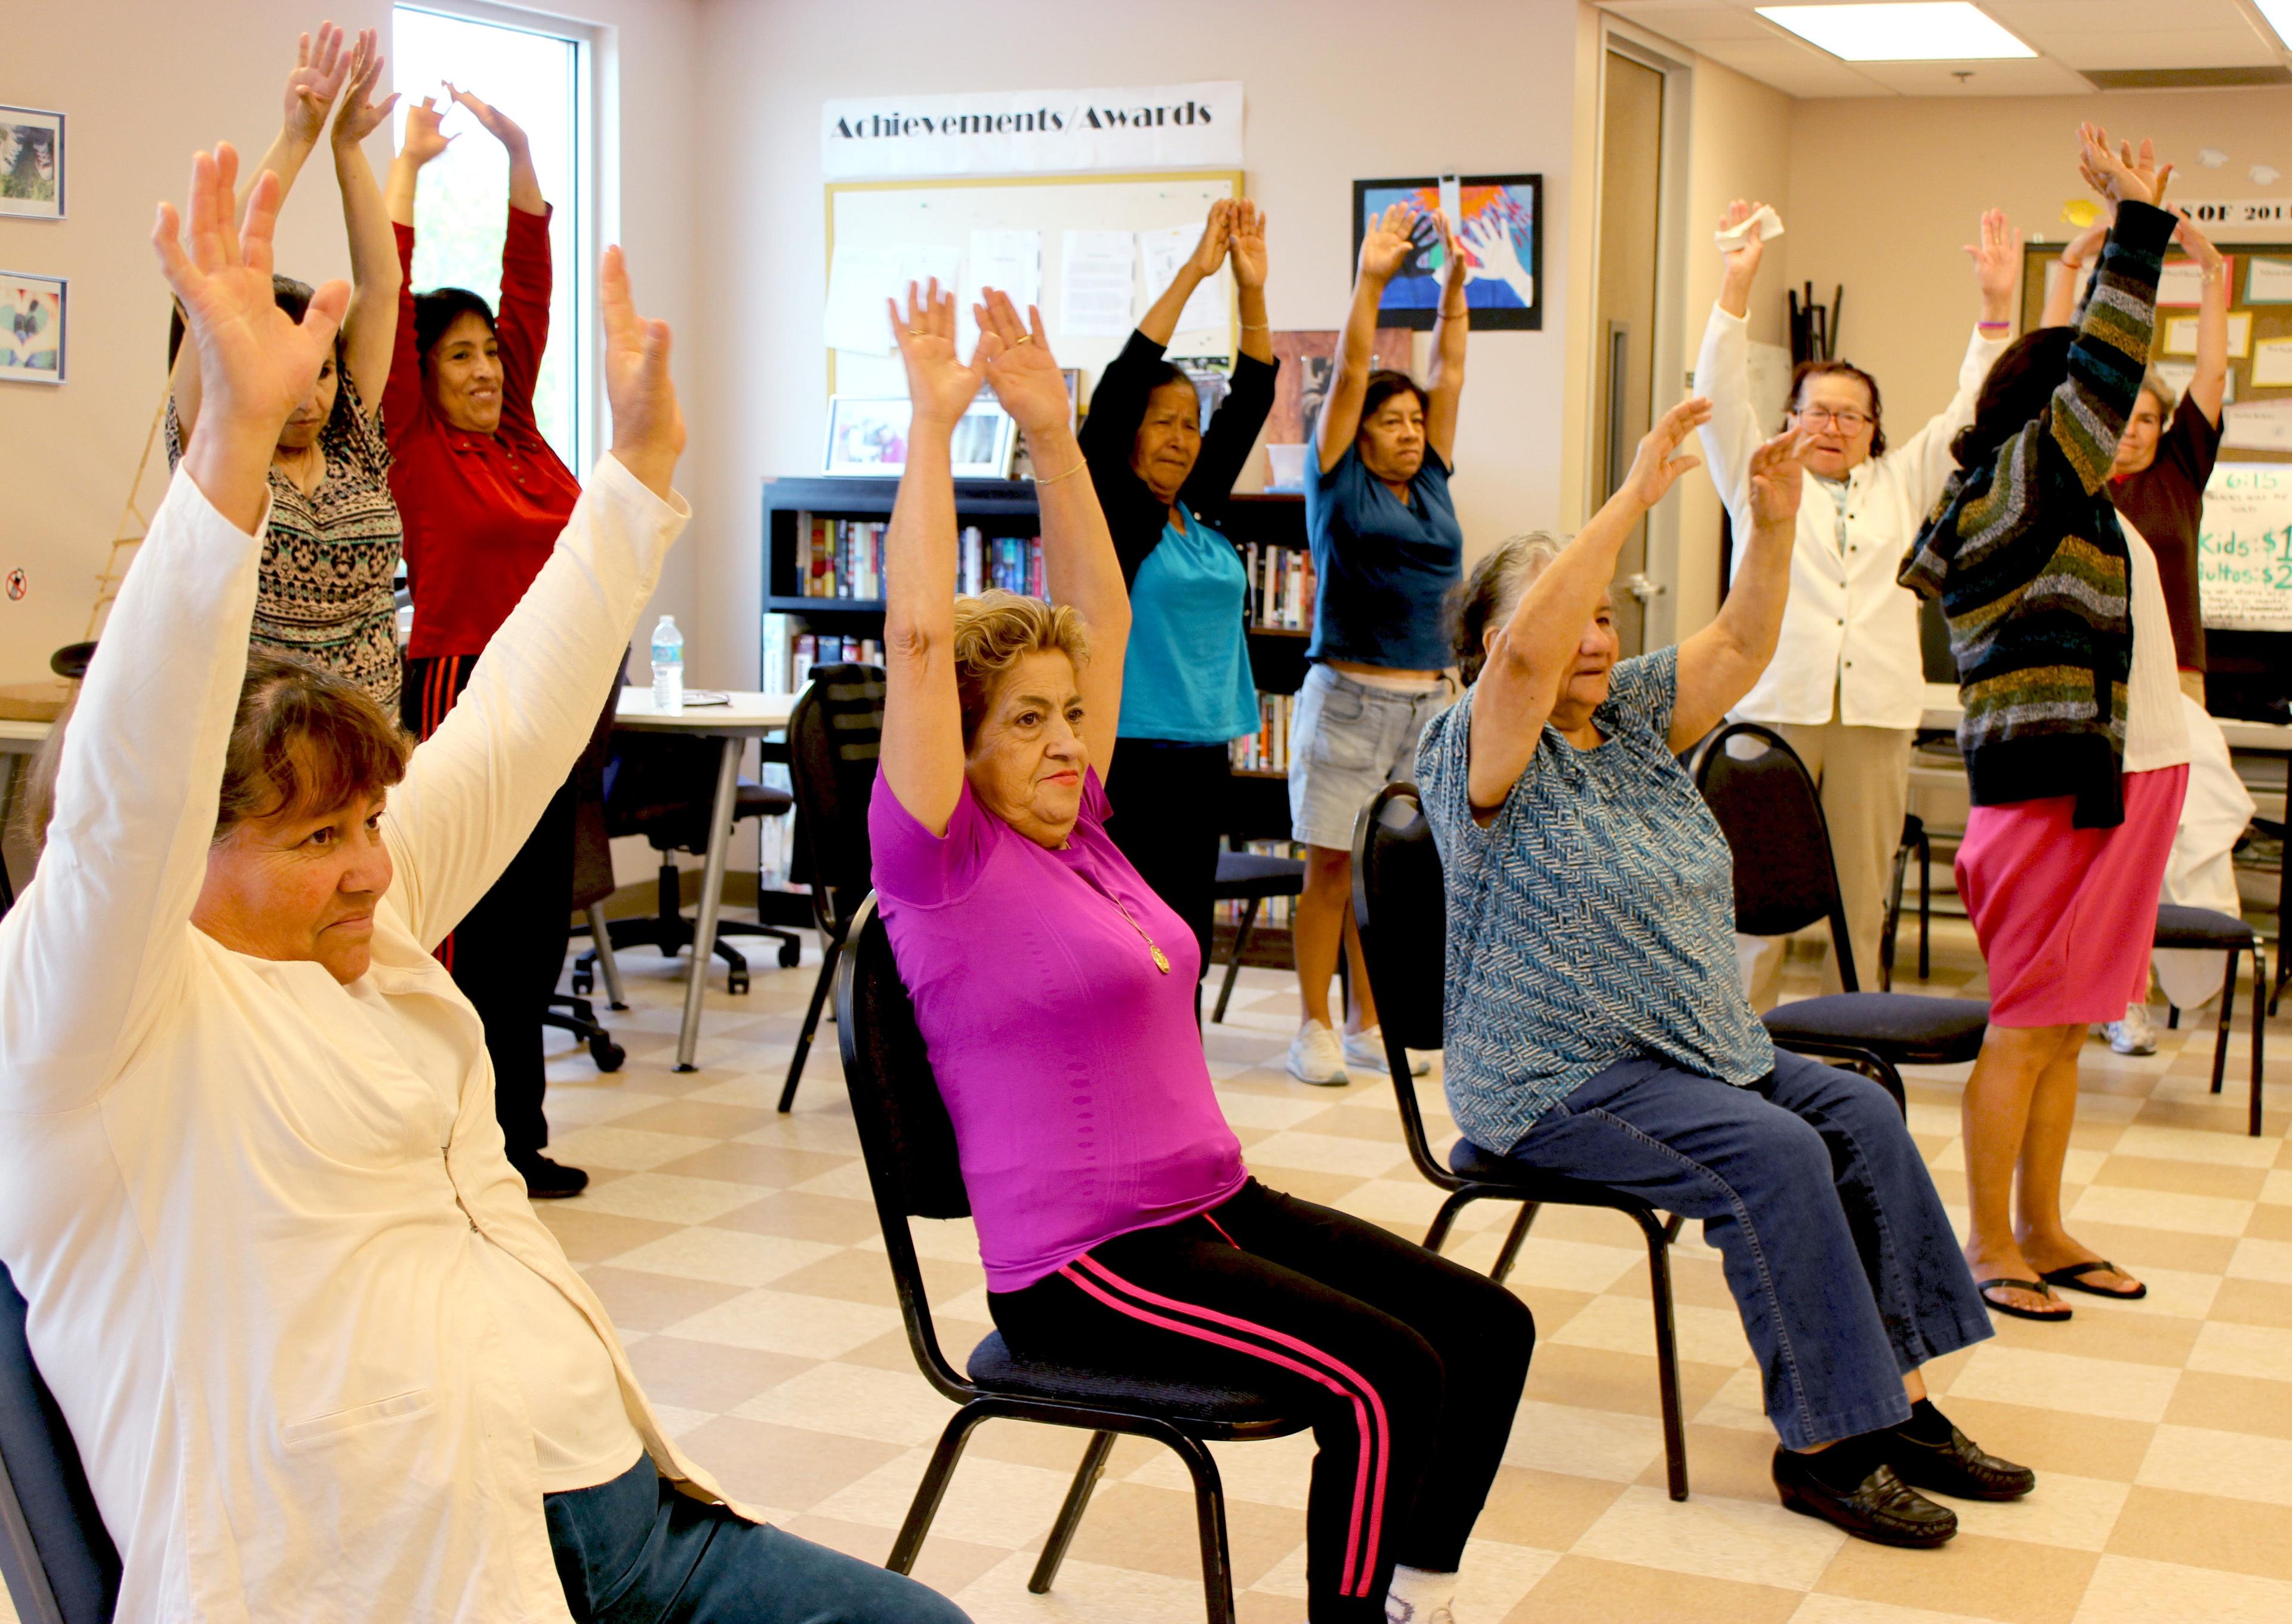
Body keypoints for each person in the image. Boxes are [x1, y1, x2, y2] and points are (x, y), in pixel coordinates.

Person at [0, 141, 967, 1624]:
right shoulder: (93, 1023)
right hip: (386, 1577)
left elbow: (511, 725)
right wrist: (231, 446)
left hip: (615, 1519)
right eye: (316, 838)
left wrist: (635, 479)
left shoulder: (361, 926)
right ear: (178, 856)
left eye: (367, 823)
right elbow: (128, 792)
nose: (370, 866)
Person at [870, 279, 1533, 1624]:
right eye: (1027, 723)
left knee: (1486, 1327)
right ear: (961, 745)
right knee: (1385, 1380)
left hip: (1209, 1204)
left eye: (1071, 717)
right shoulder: (941, 864)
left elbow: (1104, 617)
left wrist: (1055, 435)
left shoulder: (1083, 830)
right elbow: (922, 641)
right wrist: (936, 428)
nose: (1067, 743)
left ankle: (1415, 1594)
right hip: (1083, 1262)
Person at [1422, 397, 2022, 1549]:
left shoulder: (1629, 721)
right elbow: (1533, 657)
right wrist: (1634, 497)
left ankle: (1898, 1398)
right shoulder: (1476, 748)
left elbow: (1741, 645)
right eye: (1569, 616)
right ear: (1489, 646)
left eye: (1606, 616)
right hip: (1557, 1080)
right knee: (1778, 1153)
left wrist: (1773, 522)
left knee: (1859, 1112)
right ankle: (1827, 1445)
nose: (1592, 637)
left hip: (1692, 1050)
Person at [1900, 128, 2189, 1322]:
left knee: (2068, 1028)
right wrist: (2135, 233)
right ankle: (1989, 1242)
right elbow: (2103, 364)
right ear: (2049, 414)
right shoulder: (2019, 488)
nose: (2116, 420)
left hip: (2121, 783)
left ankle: (2045, 1226)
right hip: (2051, 797)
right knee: (2026, 1028)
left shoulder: (2074, 504)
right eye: (2093, 405)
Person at [1695, 199, 2019, 1002]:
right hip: (1776, 705)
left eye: (1851, 415)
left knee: (1861, 888)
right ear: (1790, 418)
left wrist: (1995, 310)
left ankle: (1853, 1036)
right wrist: (1736, 284)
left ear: (1875, 428)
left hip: (1873, 712)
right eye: (1818, 412)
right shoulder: (1759, 476)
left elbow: (1970, 411)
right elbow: (1718, 392)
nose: (1834, 427)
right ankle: (1740, 1041)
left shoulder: (1903, 483)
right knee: (1753, 888)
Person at [383, 86, 594, 1197]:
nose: (482, 369)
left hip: (545, 700)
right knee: (464, 926)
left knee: (533, 939)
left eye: (490, 355)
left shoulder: (521, 439)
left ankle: (518, 1136)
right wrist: (407, 171)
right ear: (423, 371)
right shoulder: (416, 444)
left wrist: (519, 154)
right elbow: (387, 301)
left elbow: (530, 293)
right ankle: (454, 1142)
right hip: (459, 687)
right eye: (458, 355)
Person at [2044, 209, 2252, 1054]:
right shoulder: (2069, 477)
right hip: (2089, 690)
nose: (2129, 428)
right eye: (2119, 414)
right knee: (2097, 850)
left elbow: (2212, 369)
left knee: (2170, 848)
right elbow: (2054, 366)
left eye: (2146, 418)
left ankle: (2150, 982)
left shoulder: (2179, 475)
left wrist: (2210, 271)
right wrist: (2068, 268)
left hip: (2175, 691)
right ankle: (2105, 993)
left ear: (2165, 428)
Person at [164, 24, 406, 711]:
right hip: (257, 747)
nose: (307, 394)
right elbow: (214, 282)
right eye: (287, 369)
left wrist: (348, 147)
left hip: (371, 742)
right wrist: (296, 137)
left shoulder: (352, 437)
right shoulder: (219, 450)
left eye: (322, 373)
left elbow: (381, 286)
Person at [1286, 201, 1470, 1085]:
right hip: (1350, 699)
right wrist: (1372, 279)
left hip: (1428, 701)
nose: (1408, 432)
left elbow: (1452, 368)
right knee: (1329, 864)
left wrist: (1454, 293)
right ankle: (1313, 1026)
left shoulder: (1430, 478)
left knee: (1390, 870)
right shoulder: (1335, 481)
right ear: (1357, 432)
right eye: (1391, 422)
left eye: (1415, 422)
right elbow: (1355, 365)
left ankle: (1369, 1018)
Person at [1080, 198, 1276, 975]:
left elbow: (1252, 394)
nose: (1181, 438)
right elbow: (1122, 383)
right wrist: (1196, 272)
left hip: (1201, 756)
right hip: (1129, 755)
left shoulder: (1196, 507)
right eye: (1163, 421)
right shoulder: (1116, 510)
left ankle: (1179, 1054)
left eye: (1191, 424)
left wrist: (1251, 288)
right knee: (1131, 943)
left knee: (1186, 939)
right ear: (1130, 431)